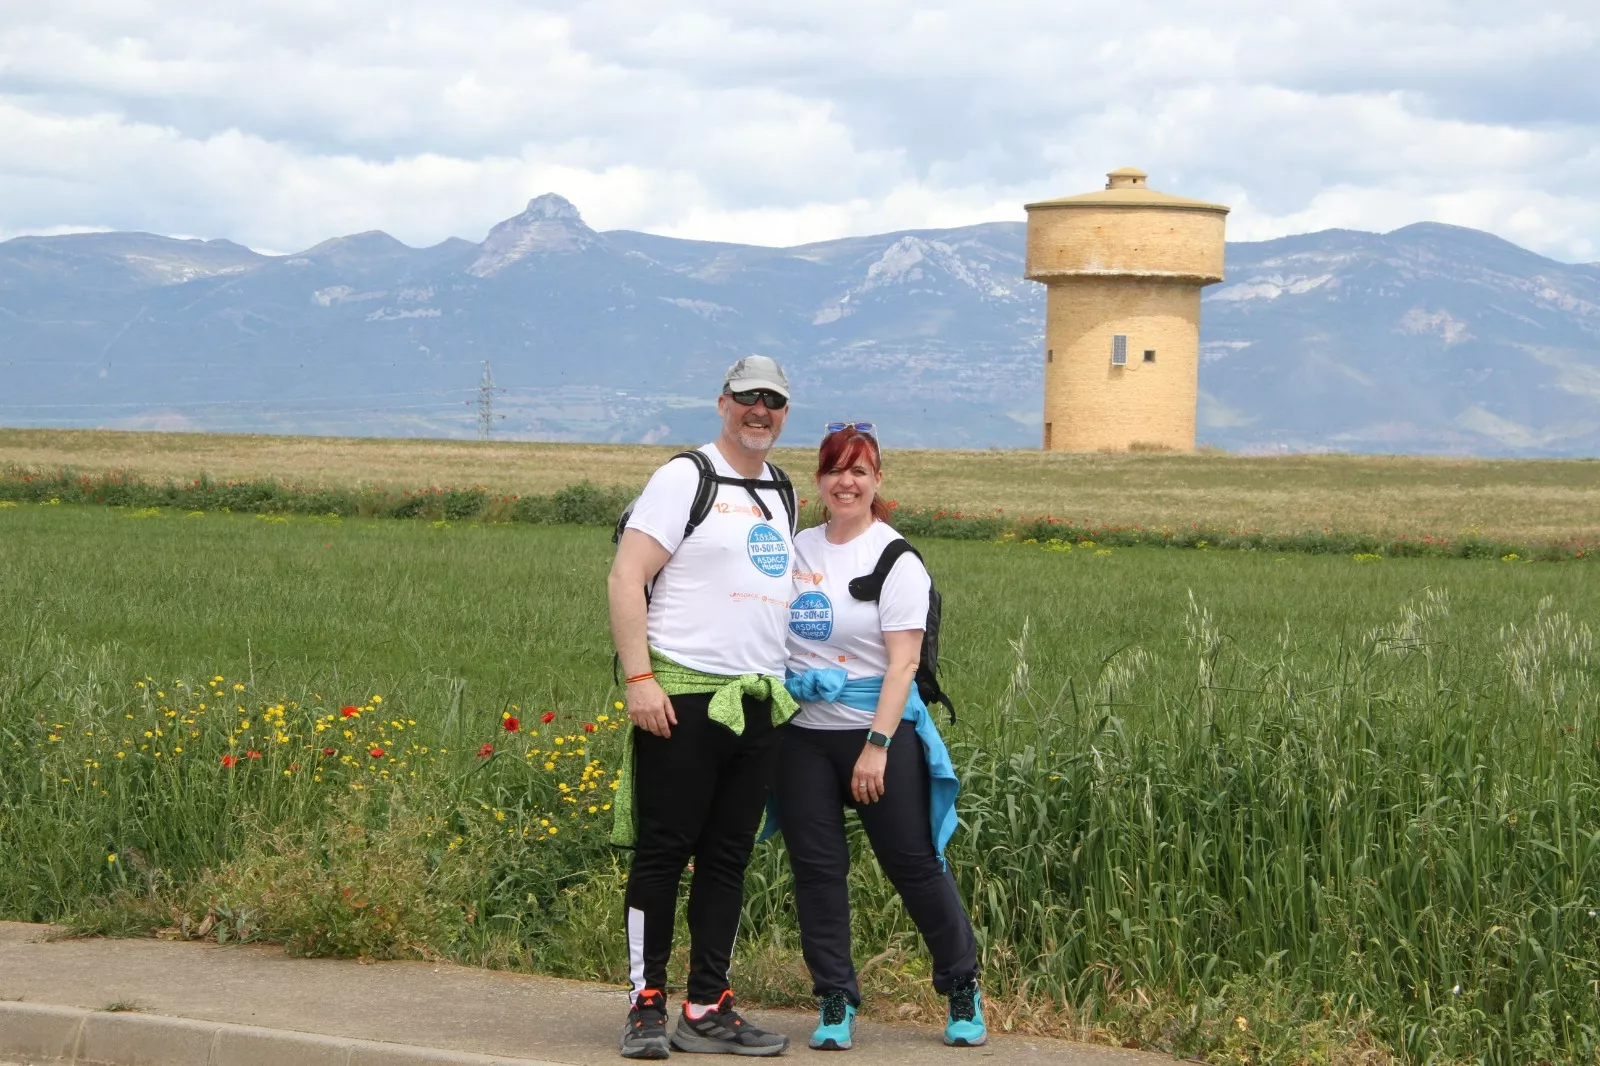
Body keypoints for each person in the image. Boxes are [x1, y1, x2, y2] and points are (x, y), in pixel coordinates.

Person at [607, 355, 801, 1060]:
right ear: (722, 403)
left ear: (785, 412)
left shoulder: (782, 489)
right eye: (748, 397)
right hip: (681, 697)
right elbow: (628, 574)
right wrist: (639, 678)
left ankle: (708, 1005)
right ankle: (645, 1003)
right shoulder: (683, 478)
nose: (760, 410)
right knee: (663, 853)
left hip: (756, 703)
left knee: (726, 860)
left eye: (773, 401)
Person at [775, 423, 986, 1051]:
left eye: (859, 471)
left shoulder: (895, 560)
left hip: (876, 733)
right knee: (816, 871)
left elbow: (902, 665)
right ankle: (835, 1000)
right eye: (836, 470)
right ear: (819, 479)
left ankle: (961, 986)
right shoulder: (795, 550)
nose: (846, 481)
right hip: (803, 735)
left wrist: (878, 746)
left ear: (877, 481)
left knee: (914, 864)